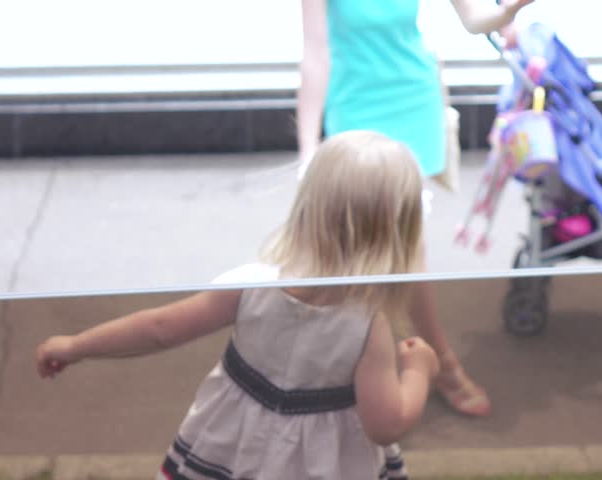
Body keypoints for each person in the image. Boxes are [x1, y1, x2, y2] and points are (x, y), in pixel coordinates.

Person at [35, 131, 440, 480]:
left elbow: (160, 328)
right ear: (397, 235)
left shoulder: (252, 284)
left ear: (307, 206)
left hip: (231, 448)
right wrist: (420, 372)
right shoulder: (369, 328)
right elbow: (385, 424)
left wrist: (77, 345)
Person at [297, 0, 534, 417]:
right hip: (353, 106)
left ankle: (438, 362)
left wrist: (508, 11)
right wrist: (307, 151)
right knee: (352, 245)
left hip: (413, 101)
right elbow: (316, 54)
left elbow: (475, 18)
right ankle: (386, 360)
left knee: (407, 249)